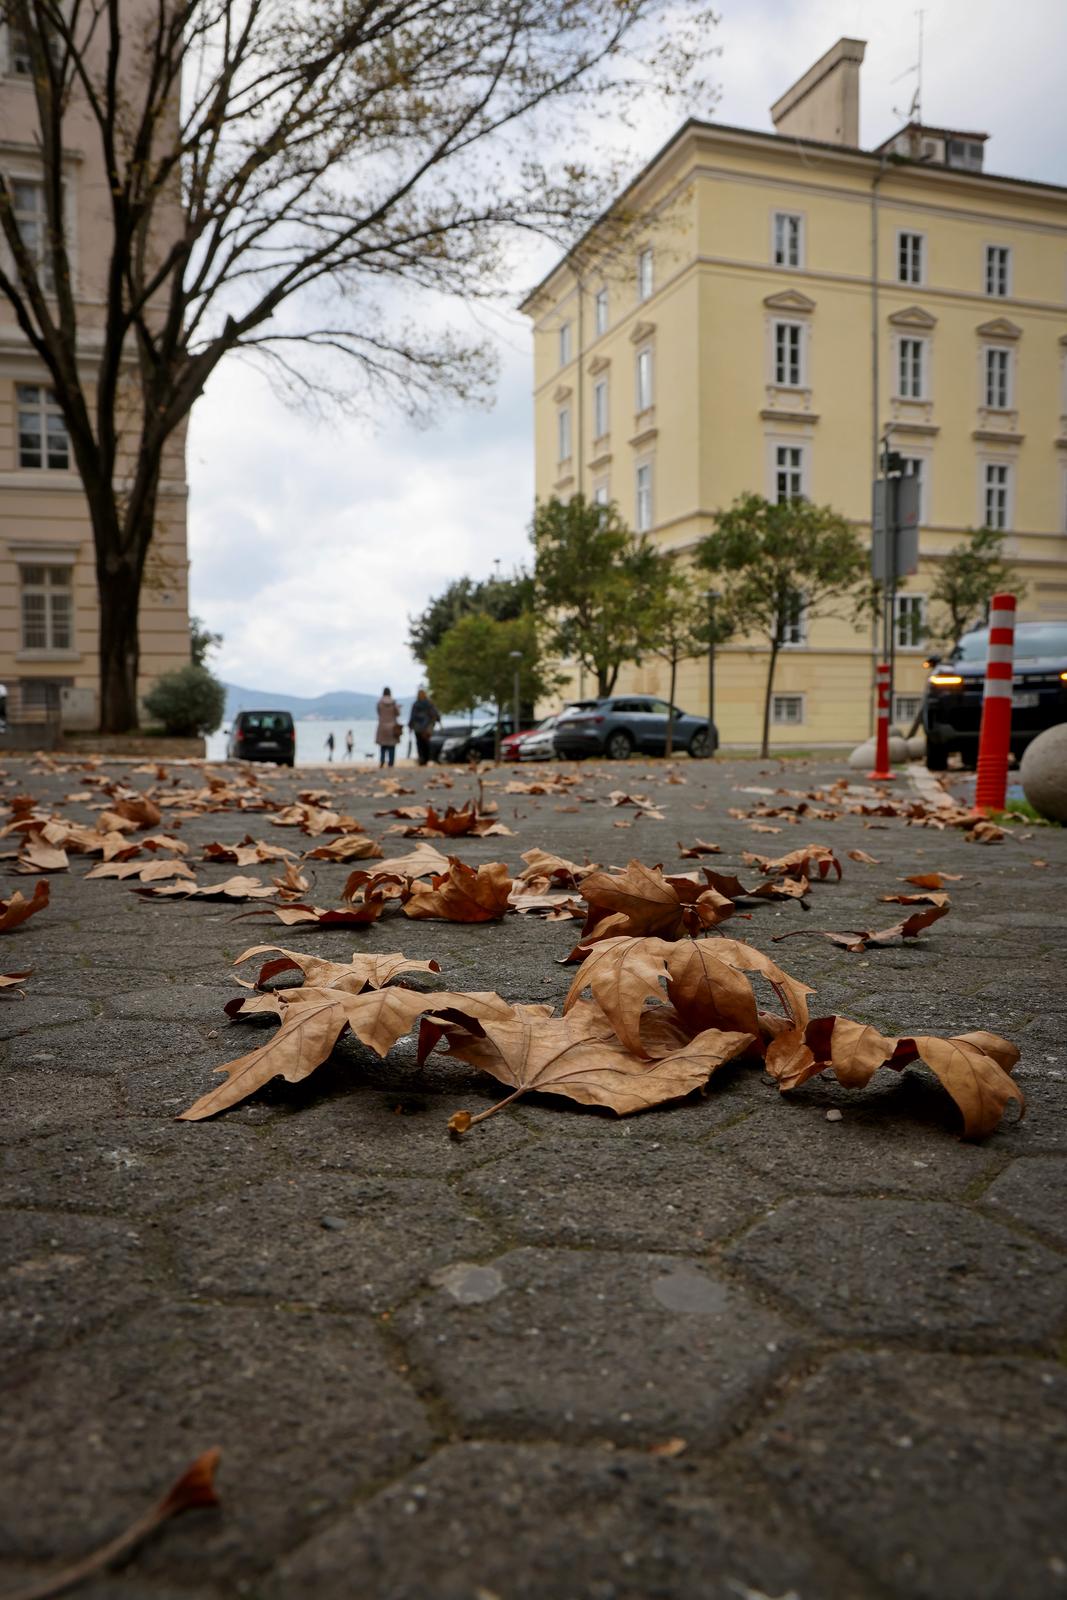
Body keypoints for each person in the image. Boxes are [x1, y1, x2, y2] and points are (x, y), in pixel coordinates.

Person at [408, 687, 439, 766]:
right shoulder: (430, 703)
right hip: (427, 728)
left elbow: (412, 716)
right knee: (427, 743)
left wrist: (410, 726)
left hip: (417, 728)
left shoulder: (415, 704)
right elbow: (435, 714)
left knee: (419, 744)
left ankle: (422, 758)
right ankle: (428, 758)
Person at [376, 687, 402, 768]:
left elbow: (379, 713)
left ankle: (382, 761)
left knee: (383, 746)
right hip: (392, 726)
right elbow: (398, 714)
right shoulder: (394, 703)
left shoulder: (379, 703)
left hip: (382, 726)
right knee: (392, 746)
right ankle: (391, 763)